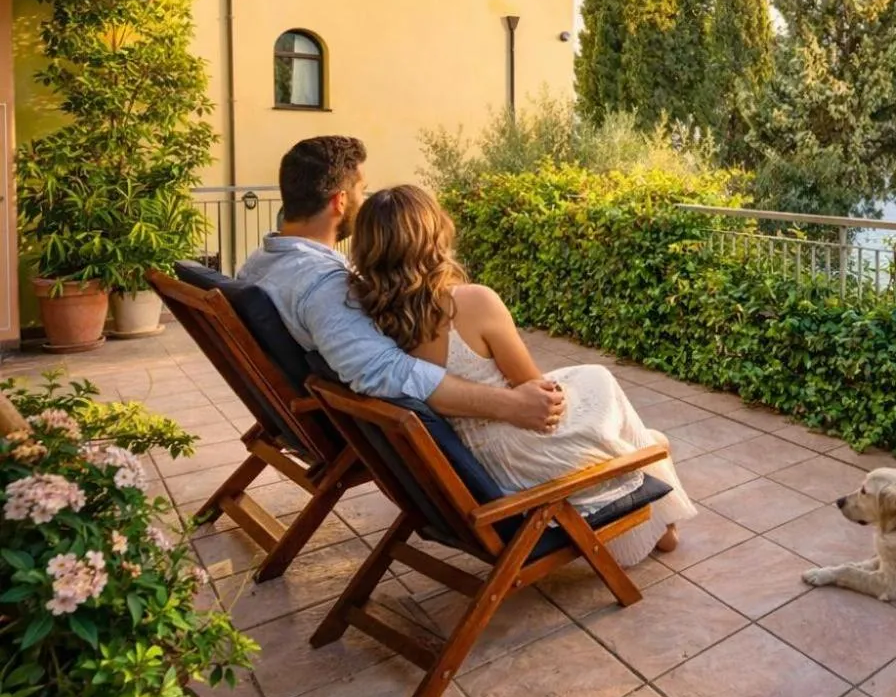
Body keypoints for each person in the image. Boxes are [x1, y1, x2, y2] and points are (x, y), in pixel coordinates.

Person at [347, 185, 696, 565]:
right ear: (434, 236)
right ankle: (652, 498)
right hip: (521, 455)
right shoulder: (471, 302)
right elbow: (530, 383)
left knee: (590, 383)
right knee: (601, 383)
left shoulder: (366, 324)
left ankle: (645, 466)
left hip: (474, 463)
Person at [239, 137, 565, 432]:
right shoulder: (324, 285)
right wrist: (509, 405)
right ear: (340, 201)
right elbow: (383, 372)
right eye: (360, 190)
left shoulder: (258, 265)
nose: (363, 199)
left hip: (303, 419)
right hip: (356, 428)